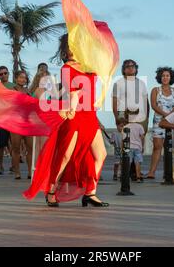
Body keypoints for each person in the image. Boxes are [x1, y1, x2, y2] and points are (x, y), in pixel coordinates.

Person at [26, 31, 111, 208]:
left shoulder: (90, 66)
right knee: (65, 156)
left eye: (76, 45)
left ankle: (90, 193)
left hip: (90, 116)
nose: (73, 49)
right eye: (69, 46)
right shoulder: (67, 69)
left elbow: (103, 56)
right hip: (74, 115)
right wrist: (71, 108)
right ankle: (51, 191)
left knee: (101, 154)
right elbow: (73, 92)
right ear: (65, 50)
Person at [146, 67, 174, 179]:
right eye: (163, 76)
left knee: (171, 147)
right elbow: (154, 105)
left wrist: (171, 116)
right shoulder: (155, 90)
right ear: (160, 77)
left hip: (172, 122)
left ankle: (169, 172)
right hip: (159, 121)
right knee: (157, 146)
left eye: (167, 76)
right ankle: (152, 172)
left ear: (171, 77)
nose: (165, 78)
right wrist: (165, 114)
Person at [112, 60, 150, 132]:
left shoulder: (141, 83)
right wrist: (117, 119)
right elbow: (114, 103)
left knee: (139, 141)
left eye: (133, 66)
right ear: (124, 70)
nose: (130, 68)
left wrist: (147, 119)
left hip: (141, 118)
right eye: (128, 66)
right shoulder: (118, 83)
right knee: (126, 141)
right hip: (124, 118)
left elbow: (146, 102)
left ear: (136, 68)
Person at [10, 71, 33, 179]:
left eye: (24, 78)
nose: (23, 79)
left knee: (30, 148)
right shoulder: (12, 90)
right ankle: (17, 172)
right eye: (20, 77)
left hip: (27, 122)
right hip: (16, 122)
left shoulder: (28, 91)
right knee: (16, 148)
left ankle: (29, 171)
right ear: (16, 78)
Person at [0, 66, 15, 175]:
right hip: (1, 120)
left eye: (5, 73)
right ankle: (0, 166)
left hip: (12, 119)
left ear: (8, 73)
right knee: (1, 145)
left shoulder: (13, 86)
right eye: (1, 74)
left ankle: (13, 165)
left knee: (14, 144)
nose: (3, 75)